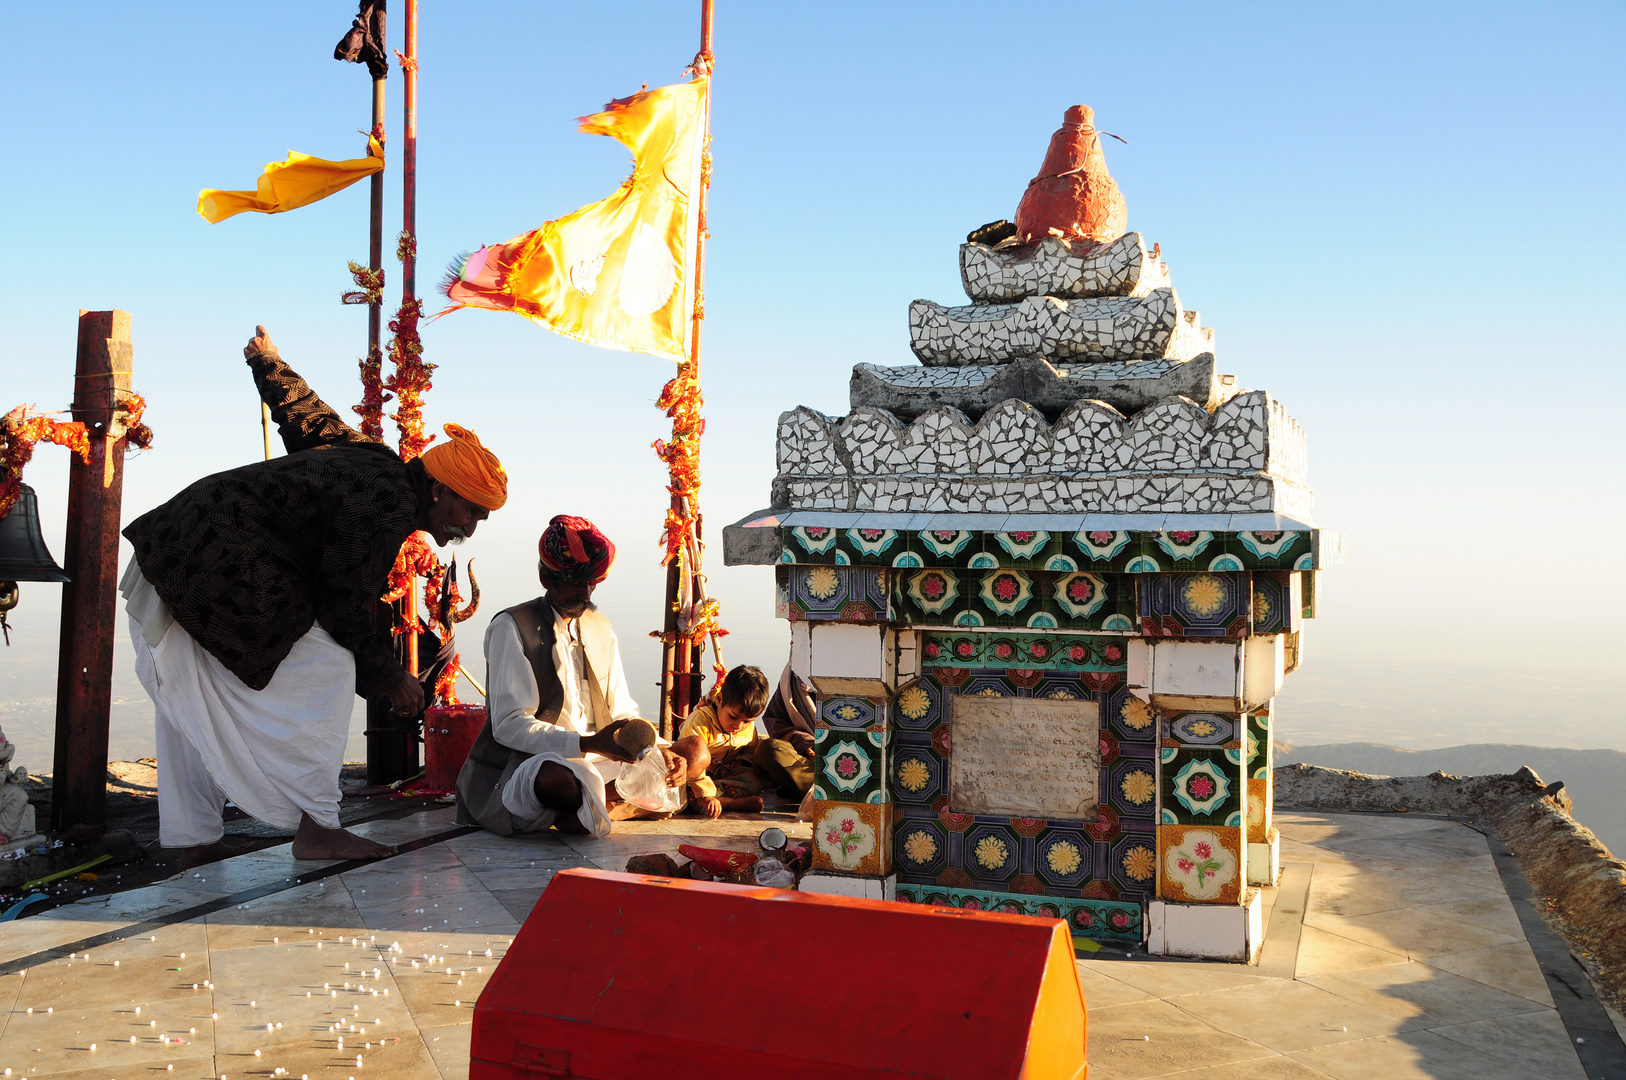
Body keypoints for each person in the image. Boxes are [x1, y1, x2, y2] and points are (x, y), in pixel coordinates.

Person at [122, 326, 508, 867]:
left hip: (171, 555)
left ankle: (192, 838)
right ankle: (319, 830)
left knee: (189, 691)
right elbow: (344, 602)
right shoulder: (387, 500)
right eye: (471, 511)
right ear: (440, 491)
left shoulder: (376, 464)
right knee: (328, 666)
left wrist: (268, 363)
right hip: (202, 568)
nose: (471, 525)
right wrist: (387, 676)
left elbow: (307, 417)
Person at [456, 515, 704, 837]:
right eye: (576, 582)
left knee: (695, 752)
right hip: (529, 763)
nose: (586, 593)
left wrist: (654, 749)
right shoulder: (511, 626)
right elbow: (510, 725)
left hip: (603, 756)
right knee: (558, 780)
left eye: (592, 582)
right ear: (546, 578)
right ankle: (616, 805)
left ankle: (596, 810)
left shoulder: (601, 627)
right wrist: (584, 743)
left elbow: (624, 712)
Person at [679, 665, 772, 818]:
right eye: (733, 717)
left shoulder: (747, 726)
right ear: (719, 699)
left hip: (725, 777)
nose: (739, 726)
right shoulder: (700, 721)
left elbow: (750, 751)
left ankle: (720, 800)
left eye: (747, 721)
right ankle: (729, 803)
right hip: (696, 777)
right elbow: (689, 760)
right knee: (687, 797)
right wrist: (705, 794)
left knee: (754, 781)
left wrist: (742, 761)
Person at [753, 661, 817, 800]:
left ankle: (818, 792)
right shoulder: (794, 678)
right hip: (813, 766)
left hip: (862, 769)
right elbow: (775, 721)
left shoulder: (870, 672)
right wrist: (807, 745)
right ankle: (817, 791)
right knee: (769, 750)